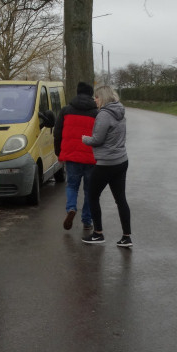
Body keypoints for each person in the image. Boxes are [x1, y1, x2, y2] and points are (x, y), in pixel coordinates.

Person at [80, 84, 132, 248]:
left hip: (106, 164)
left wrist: (84, 139)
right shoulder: (120, 112)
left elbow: (97, 139)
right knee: (120, 199)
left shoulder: (103, 115)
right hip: (121, 161)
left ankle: (98, 234)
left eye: (96, 97)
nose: (94, 100)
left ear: (102, 97)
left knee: (92, 196)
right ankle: (126, 237)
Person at [53, 81, 98, 232]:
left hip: (72, 156)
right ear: (91, 95)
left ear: (77, 93)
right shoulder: (96, 113)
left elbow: (57, 132)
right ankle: (87, 220)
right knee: (89, 190)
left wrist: (58, 151)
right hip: (91, 156)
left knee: (72, 185)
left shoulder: (66, 110)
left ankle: (71, 208)